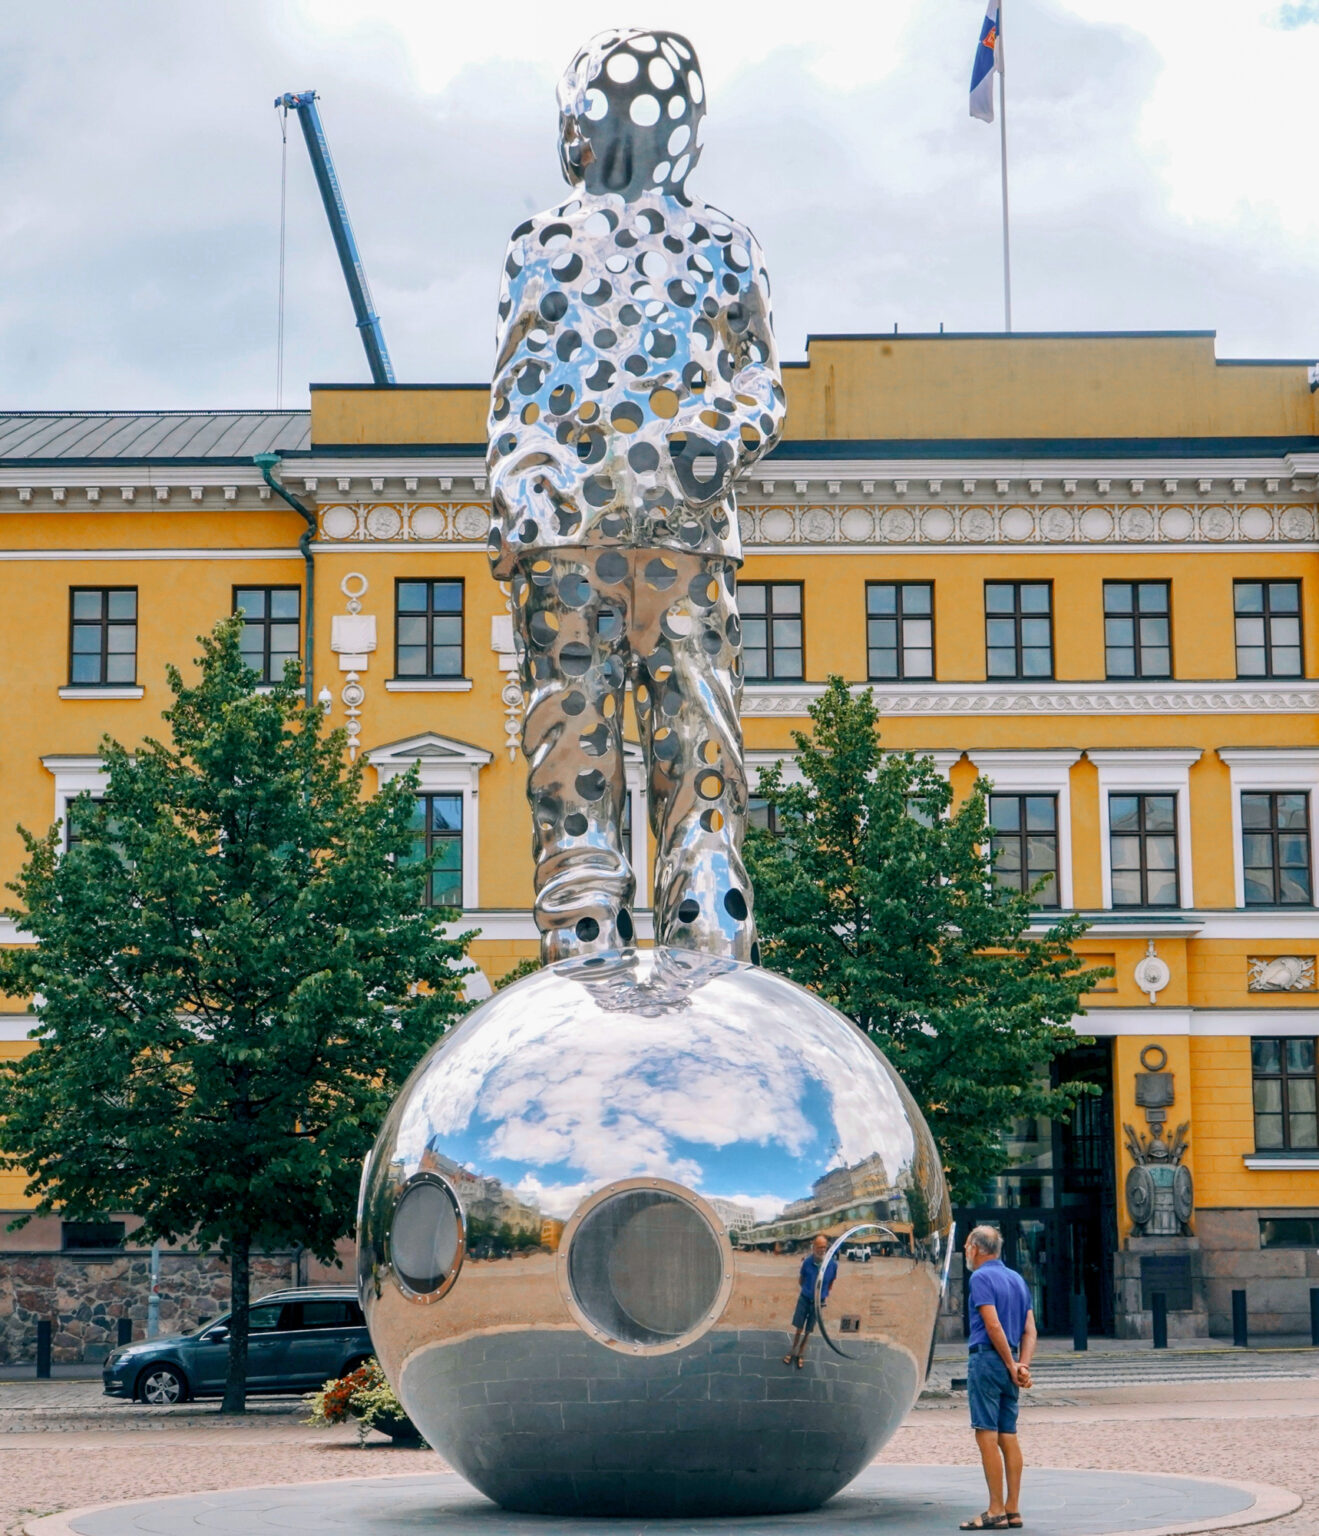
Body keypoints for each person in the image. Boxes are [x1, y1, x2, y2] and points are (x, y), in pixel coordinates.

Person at [486, 27, 785, 965]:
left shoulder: (699, 244)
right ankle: (619, 922)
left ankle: (672, 914)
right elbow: (762, 387)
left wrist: (521, 501)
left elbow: (515, 395)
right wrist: (713, 440)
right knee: (670, 739)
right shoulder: (560, 243)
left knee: (625, 739)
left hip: (621, 536)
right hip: (635, 537)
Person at [959, 1224, 1036, 1531]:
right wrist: (1022, 1366)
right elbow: (1030, 1329)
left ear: (976, 1248)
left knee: (986, 1433)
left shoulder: (980, 1277)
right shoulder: (1017, 1279)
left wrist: (1007, 1364)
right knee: (1009, 1434)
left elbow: (992, 1326)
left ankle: (994, 1510)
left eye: (967, 1246)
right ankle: (1013, 1509)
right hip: (1012, 1360)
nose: (965, 1251)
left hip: (988, 1360)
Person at [783, 1233, 837, 1369]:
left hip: (818, 1303)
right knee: (798, 1329)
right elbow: (801, 1280)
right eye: (819, 1247)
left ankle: (801, 1354)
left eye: (824, 1247)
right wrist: (809, 1292)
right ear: (813, 1247)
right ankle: (792, 1351)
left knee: (808, 1331)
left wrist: (823, 1295)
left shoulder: (832, 1264)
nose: (822, 1250)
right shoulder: (807, 1262)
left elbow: (831, 1282)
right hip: (804, 1299)